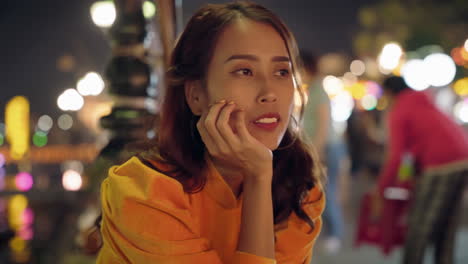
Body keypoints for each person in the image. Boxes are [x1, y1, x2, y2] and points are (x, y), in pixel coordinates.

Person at [96, 2, 325, 264]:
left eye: (282, 72)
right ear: (196, 95)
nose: (269, 92)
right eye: (245, 71)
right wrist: (258, 176)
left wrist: (259, 178)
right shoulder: (145, 193)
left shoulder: (298, 189)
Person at [375, 76, 468, 264]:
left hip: (440, 164)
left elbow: (397, 156)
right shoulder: (423, 101)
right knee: (447, 226)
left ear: (390, 93)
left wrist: (381, 188)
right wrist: (405, 180)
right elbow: (410, 154)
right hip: (462, 158)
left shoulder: (400, 110)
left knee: (419, 226)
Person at [300, 51, 346, 254]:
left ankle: (335, 235)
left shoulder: (318, 90)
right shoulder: (314, 89)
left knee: (326, 192)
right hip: (324, 147)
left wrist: (317, 152)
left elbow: (323, 124)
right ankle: (331, 234)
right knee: (324, 191)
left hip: (326, 148)